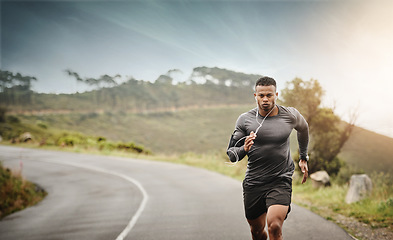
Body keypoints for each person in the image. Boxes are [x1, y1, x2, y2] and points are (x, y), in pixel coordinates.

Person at [226, 76, 309, 240]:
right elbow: (231, 154)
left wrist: (303, 157)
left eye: (269, 95)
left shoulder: (290, 115)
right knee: (257, 231)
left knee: (274, 226)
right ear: (255, 96)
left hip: (280, 180)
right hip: (254, 182)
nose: (265, 99)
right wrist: (244, 148)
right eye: (261, 95)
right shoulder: (245, 120)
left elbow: (303, 129)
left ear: (276, 94)